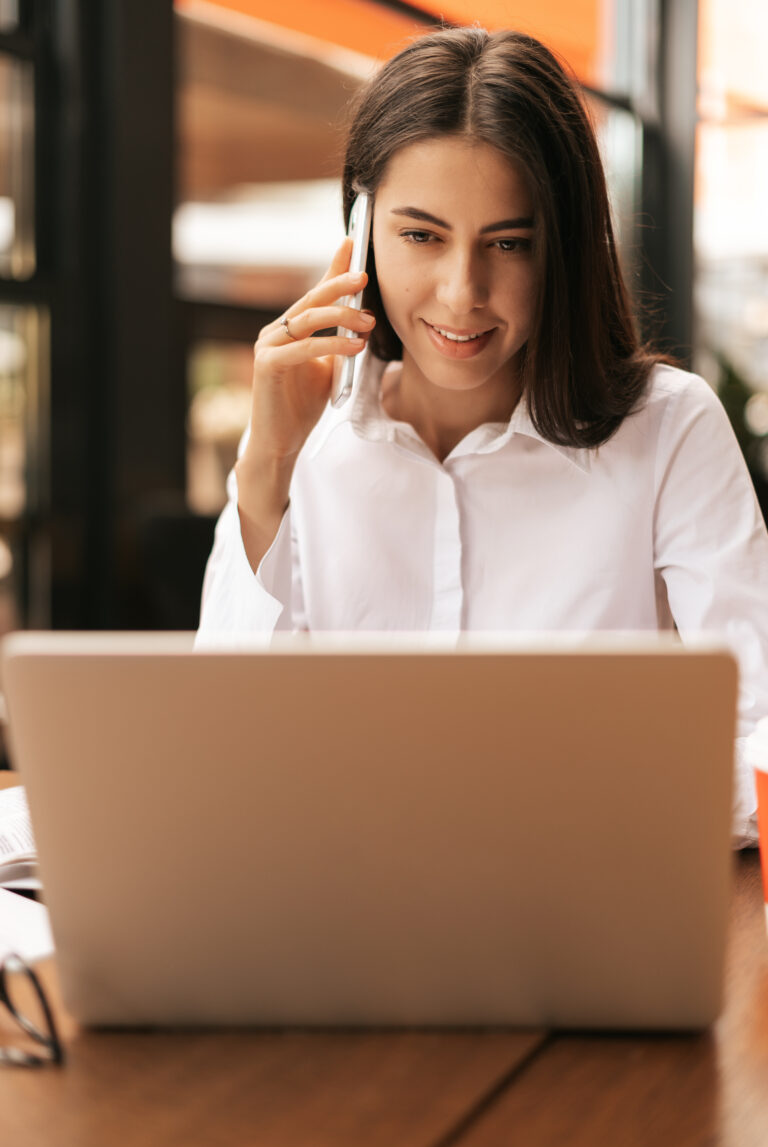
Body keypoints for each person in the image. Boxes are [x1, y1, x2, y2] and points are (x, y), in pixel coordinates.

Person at [197, 26, 768, 846]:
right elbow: (221, 753)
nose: (462, 294)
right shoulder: (306, 442)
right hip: (349, 919)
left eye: (508, 243)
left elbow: (761, 743)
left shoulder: (668, 427)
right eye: (421, 236)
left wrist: (549, 813)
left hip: (587, 917)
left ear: (564, 250)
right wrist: (268, 466)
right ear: (359, 232)